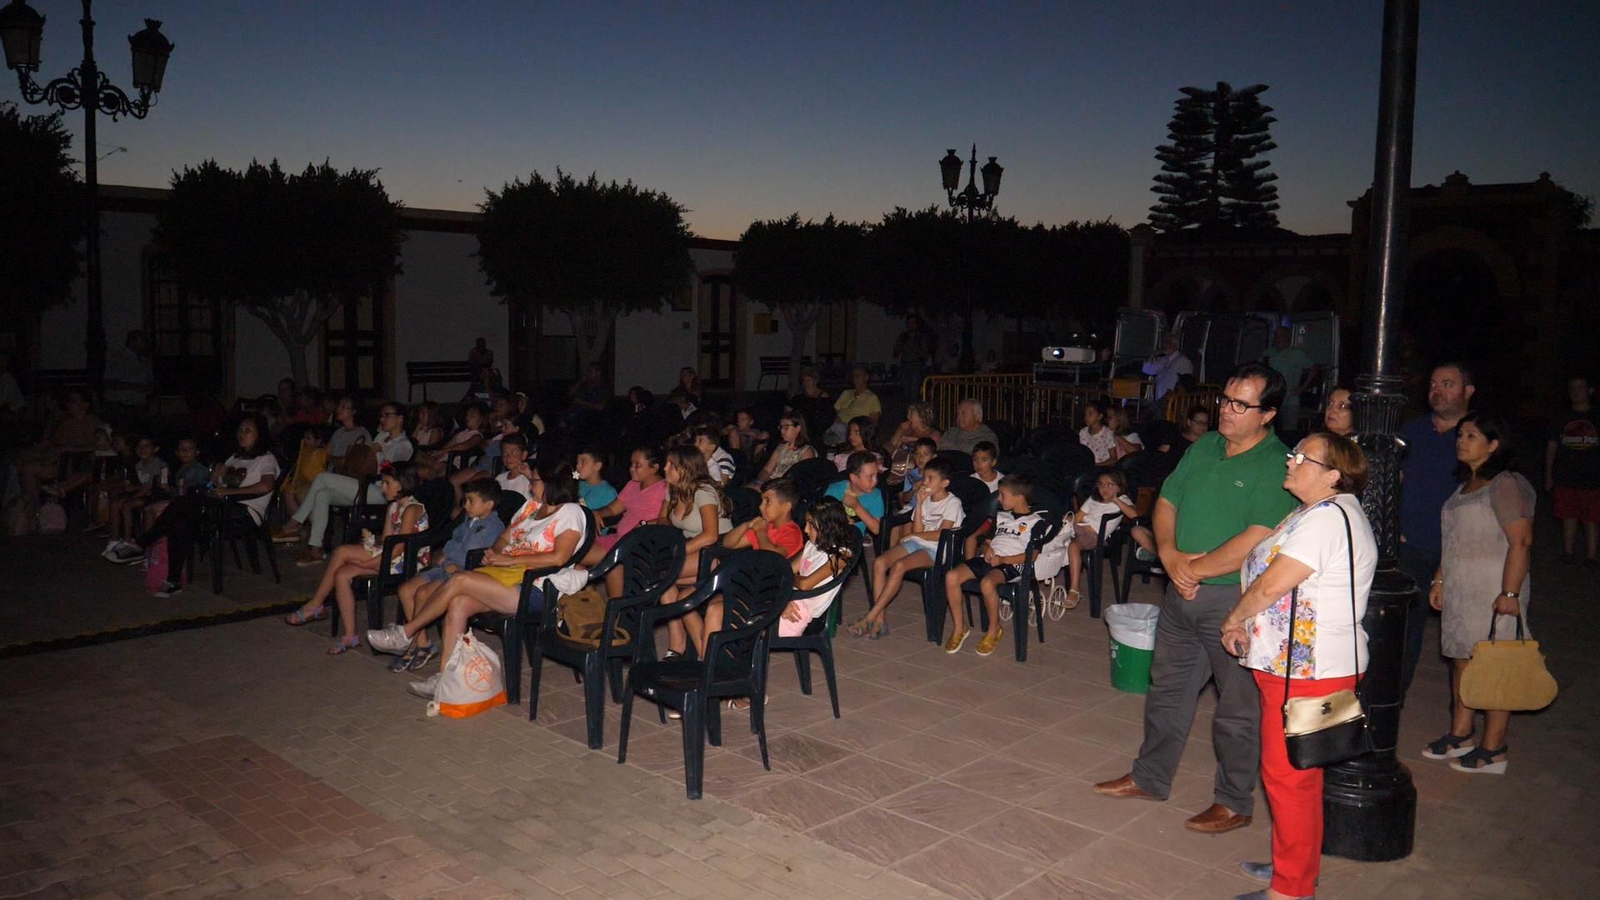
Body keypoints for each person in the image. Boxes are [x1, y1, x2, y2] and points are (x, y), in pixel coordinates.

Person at [1092, 362, 1297, 836]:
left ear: (1268, 414)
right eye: (1226, 399)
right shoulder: (1205, 446)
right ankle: (1150, 777)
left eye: (1241, 404)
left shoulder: (1276, 464)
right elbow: (1166, 502)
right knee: (1166, 693)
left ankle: (1233, 800)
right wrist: (1169, 555)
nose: (1227, 410)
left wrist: (1193, 569)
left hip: (1234, 603)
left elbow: (1258, 536)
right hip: (1181, 594)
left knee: (1237, 710)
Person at [1220, 432, 1377, 900]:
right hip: (1296, 668)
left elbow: (1271, 586)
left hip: (1309, 673)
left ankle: (1291, 890)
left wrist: (1234, 618)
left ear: (1333, 474)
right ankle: (1293, 867)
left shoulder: (1328, 519)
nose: (1291, 461)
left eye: (1302, 457)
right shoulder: (1317, 512)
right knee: (1297, 778)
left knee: (1290, 780)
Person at [403, 461, 590, 699]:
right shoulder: (531, 507)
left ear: (551, 484)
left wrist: (513, 560)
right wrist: (498, 552)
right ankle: (445, 681)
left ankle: (407, 632)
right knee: (458, 603)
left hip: (538, 588)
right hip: (508, 578)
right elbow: (503, 538)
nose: (531, 486)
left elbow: (559, 556)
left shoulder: (570, 512)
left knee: (460, 580)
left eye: (534, 481)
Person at [1423, 413, 1534, 775]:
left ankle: (1494, 747)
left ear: (1494, 444)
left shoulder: (1505, 484)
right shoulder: (1467, 484)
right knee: (1462, 661)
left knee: (1495, 666)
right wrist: (1440, 580)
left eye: (1472, 435)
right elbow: (1454, 540)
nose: (1461, 441)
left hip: (1493, 586)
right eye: (1461, 435)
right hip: (1462, 588)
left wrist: (1510, 593)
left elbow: (1521, 541)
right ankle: (1461, 733)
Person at [107, 415, 280, 598]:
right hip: (220, 508)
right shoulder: (234, 458)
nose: (241, 434)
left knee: (181, 505)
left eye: (247, 430)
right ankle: (172, 580)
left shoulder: (266, 459)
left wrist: (228, 492)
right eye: (240, 430)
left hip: (244, 513)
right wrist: (215, 477)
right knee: (178, 519)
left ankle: (141, 545)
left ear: (259, 434)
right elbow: (213, 487)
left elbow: (266, 486)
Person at [284, 463, 429, 653]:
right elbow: (387, 540)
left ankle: (316, 604)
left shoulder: (412, 509)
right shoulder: (394, 506)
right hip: (391, 556)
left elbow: (399, 548)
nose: (383, 488)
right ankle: (350, 636)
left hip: (408, 561)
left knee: (342, 553)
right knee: (342, 574)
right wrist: (371, 542)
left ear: (402, 484)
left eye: (386, 483)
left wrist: (366, 562)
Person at [367, 477, 505, 672]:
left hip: (461, 573)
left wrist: (448, 560)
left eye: (471, 501)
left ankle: (409, 638)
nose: (465, 505)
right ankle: (422, 643)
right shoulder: (468, 521)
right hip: (447, 567)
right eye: (465, 500)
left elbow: (468, 554)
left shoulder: (492, 526)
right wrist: (445, 559)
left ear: (489, 504)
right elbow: (451, 543)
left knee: (423, 593)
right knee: (406, 589)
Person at [1399, 362, 1475, 696]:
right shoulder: (1412, 431)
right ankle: (1390, 703)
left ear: (1467, 391)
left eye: (1447, 384)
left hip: (1460, 550)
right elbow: (1390, 480)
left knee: (1464, 638)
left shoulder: (1479, 435)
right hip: (1411, 543)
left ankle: (1463, 720)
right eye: (1433, 384)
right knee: (1403, 628)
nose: (1437, 391)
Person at [277, 401, 414, 563]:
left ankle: (295, 522)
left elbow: (395, 474)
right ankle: (315, 549)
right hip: (366, 485)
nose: (382, 419)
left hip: (382, 491)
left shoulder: (404, 445)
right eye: (381, 416)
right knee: (322, 494)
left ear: (400, 419)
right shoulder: (381, 437)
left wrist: (378, 453)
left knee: (322, 478)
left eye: (387, 415)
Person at [851, 457, 963, 639]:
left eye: (930, 479)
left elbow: (942, 533)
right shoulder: (926, 500)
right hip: (918, 542)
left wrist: (915, 535)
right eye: (924, 477)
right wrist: (918, 504)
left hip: (938, 550)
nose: (924, 483)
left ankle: (871, 616)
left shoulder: (953, 503)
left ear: (945, 483)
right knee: (879, 563)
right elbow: (918, 530)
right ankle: (880, 620)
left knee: (900, 566)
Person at [698, 479, 805, 659]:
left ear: (786, 507)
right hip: (755, 586)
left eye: (767, 502)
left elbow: (773, 557)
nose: (761, 507)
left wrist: (761, 532)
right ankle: (709, 659)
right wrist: (747, 525)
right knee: (705, 602)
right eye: (762, 501)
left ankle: (709, 664)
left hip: (772, 591)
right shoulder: (767, 526)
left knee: (716, 611)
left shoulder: (791, 532)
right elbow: (730, 543)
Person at [941, 473, 1041, 657]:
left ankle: (994, 630)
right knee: (951, 576)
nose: (999, 499)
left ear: (1019, 497)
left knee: (987, 583)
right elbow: (987, 540)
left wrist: (1002, 560)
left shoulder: (1036, 522)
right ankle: (959, 627)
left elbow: (1032, 556)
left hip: (1011, 565)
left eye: (1003, 495)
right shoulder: (1001, 517)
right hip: (990, 559)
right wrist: (987, 548)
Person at [658, 446, 733, 657]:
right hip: (696, 549)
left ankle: (685, 646)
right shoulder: (675, 489)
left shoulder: (703, 491)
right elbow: (663, 519)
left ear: (684, 469)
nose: (665, 468)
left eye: (670, 465)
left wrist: (678, 552)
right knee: (666, 583)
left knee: (664, 573)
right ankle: (680, 643)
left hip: (719, 552)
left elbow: (710, 535)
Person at [1546, 374, 1599, 569]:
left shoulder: (1596, 417)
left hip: (1592, 477)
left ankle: (1591, 555)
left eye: (1580, 387)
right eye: (1572, 388)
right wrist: (1549, 474)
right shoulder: (1562, 418)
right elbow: (1552, 446)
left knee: (1591, 517)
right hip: (1566, 475)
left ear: (1589, 391)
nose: (1576, 392)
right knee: (1568, 515)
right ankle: (1568, 552)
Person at [1067, 470, 1137, 609]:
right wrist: (1064, 521)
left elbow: (1134, 515)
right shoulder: (1093, 499)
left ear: (1119, 486)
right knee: (1050, 534)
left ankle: (1074, 590)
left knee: (1073, 547)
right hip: (1077, 528)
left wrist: (1115, 500)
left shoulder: (1122, 500)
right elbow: (1079, 517)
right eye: (1101, 485)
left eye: (1110, 485)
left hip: (1094, 536)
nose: (1104, 488)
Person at [100, 436, 169, 558]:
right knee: (116, 503)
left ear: (155, 449)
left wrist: (134, 494)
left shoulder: (160, 465)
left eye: (146, 446)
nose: (142, 449)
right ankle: (115, 540)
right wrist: (132, 487)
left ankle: (128, 542)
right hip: (142, 494)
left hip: (155, 496)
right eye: (139, 447)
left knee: (127, 505)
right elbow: (141, 484)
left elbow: (151, 487)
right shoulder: (138, 465)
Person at [1265, 327, 1315, 432]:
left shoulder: (1296, 353)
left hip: (1290, 398)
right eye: (1276, 336)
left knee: (1289, 430)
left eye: (1280, 336)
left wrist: (1301, 388)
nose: (1277, 339)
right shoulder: (1269, 353)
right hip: (1273, 397)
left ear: (1287, 337)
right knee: (1271, 429)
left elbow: (1313, 369)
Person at [279, 425, 332, 525]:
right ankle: (299, 525)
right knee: (288, 491)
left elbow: (316, 474)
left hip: (315, 483)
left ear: (318, 441)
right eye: (304, 437)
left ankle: (311, 524)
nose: (305, 440)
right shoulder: (304, 451)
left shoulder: (319, 453)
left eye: (308, 438)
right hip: (304, 481)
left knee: (298, 491)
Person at [824, 451, 884, 537]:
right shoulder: (835, 490)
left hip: (854, 540)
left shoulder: (875, 495)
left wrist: (856, 506)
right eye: (870, 477)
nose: (875, 481)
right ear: (854, 478)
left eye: (876, 476)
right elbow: (821, 517)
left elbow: (877, 529)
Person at [103, 329, 153, 426]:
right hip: (121, 406)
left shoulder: (144, 361)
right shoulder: (117, 358)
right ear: (132, 342)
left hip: (139, 405)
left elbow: (149, 381)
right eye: (142, 341)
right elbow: (108, 382)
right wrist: (135, 387)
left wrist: (149, 388)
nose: (145, 345)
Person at [825, 365, 883, 445]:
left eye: (858, 376)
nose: (855, 379)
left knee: (842, 430)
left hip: (853, 428)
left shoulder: (871, 397)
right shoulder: (846, 393)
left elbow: (874, 421)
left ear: (866, 378)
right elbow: (834, 410)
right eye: (853, 376)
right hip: (837, 425)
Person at [883, 402, 942, 480]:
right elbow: (887, 451)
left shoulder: (933, 434)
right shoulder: (906, 431)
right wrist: (899, 430)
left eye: (911, 414)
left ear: (922, 416)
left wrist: (912, 439)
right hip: (895, 466)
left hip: (916, 470)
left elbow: (931, 450)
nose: (908, 417)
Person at [757, 416, 816, 484]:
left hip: (787, 488)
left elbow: (802, 478)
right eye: (781, 427)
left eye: (786, 428)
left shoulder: (806, 451)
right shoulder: (781, 447)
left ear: (798, 428)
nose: (782, 431)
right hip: (771, 482)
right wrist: (760, 482)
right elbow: (767, 470)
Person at [893, 314, 936, 399]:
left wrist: (915, 348)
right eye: (909, 323)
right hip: (905, 366)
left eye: (913, 322)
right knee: (906, 392)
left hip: (916, 366)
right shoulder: (902, 337)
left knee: (914, 392)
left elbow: (925, 354)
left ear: (916, 324)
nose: (911, 325)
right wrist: (899, 347)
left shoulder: (921, 337)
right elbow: (895, 354)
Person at [787, 370, 835, 444]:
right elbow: (788, 410)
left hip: (816, 427)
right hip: (800, 424)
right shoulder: (799, 397)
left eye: (808, 380)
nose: (805, 383)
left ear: (815, 381)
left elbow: (828, 415)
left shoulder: (823, 397)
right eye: (804, 381)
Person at [1142, 333, 1194, 400]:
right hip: (1160, 398)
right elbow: (1146, 369)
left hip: (1173, 399)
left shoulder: (1183, 361)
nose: (1164, 346)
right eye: (1164, 343)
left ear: (1175, 345)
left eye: (1168, 342)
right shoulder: (1163, 360)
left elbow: (1187, 383)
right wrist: (1153, 354)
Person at [575, 447, 621, 514]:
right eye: (577, 462)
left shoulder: (608, 493)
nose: (577, 466)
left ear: (597, 466)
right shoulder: (577, 485)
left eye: (583, 462)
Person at [325, 396, 371, 462]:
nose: (338, 409)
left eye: (343, 407)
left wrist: (332, 459)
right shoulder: (339, 432)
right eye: (339, 406)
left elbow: (353, 461)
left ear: (354, 411)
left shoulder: (361, 433)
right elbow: (326, 453)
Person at [494, 433, 535, 498]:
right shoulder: (499, 479)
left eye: (513, 453)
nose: (508, 457)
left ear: (524, 455)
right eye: (505, 453)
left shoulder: (529, 479)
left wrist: (529, 476)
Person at [1079, 398, 1118, 465]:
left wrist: (1098, 465)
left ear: (1099, 416)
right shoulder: (1083, 432)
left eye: (1090, 413)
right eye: (1085, 414)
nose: (1086, 417)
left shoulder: (1107, 434)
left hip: (1102, 469)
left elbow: (1113, 458)